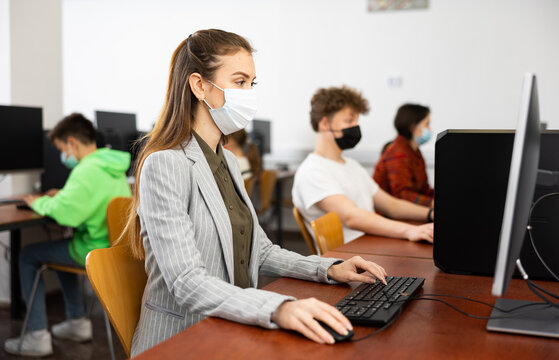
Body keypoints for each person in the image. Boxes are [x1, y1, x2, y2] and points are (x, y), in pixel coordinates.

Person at [120, 29, 388, 356]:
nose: (249, 93)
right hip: (183, 338)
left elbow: (261, 251)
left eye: (251, 83)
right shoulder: (166, 164)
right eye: (239, 82)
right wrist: (278, 308)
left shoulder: (228, 161)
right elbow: (187, 282)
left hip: (230, 322)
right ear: (199, 85)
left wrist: (328, 269)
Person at [4, 113, 132, 357]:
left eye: (62, 149)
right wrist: (63, 194)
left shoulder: (86, 170)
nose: (63, 156)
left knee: (28, 255)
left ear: (72, 142)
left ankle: (37, 336)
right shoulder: (110, 165)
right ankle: (77, 322)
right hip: (113, 248)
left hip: (92, 251)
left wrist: (37, 202)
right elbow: (87, 198)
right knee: (63, 246)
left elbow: (66, 214)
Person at [292, 86, 434, 248]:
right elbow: (352, 217)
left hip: (372, 246)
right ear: (325, 123)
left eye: (357, 121)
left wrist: (430, 214)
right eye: (349, 120)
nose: (356, 126)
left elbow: (391, 205)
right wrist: (409, 231)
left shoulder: (352, 165)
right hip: (348, 259)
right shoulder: (312, 171)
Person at [373, 104, 434, 206]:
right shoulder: (397, 153)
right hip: (389, 215)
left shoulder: (414, 152)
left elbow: (424, 190)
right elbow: (402, 195)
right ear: (414, 127)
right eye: (427, 124)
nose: (429, 128)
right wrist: (431, 203)